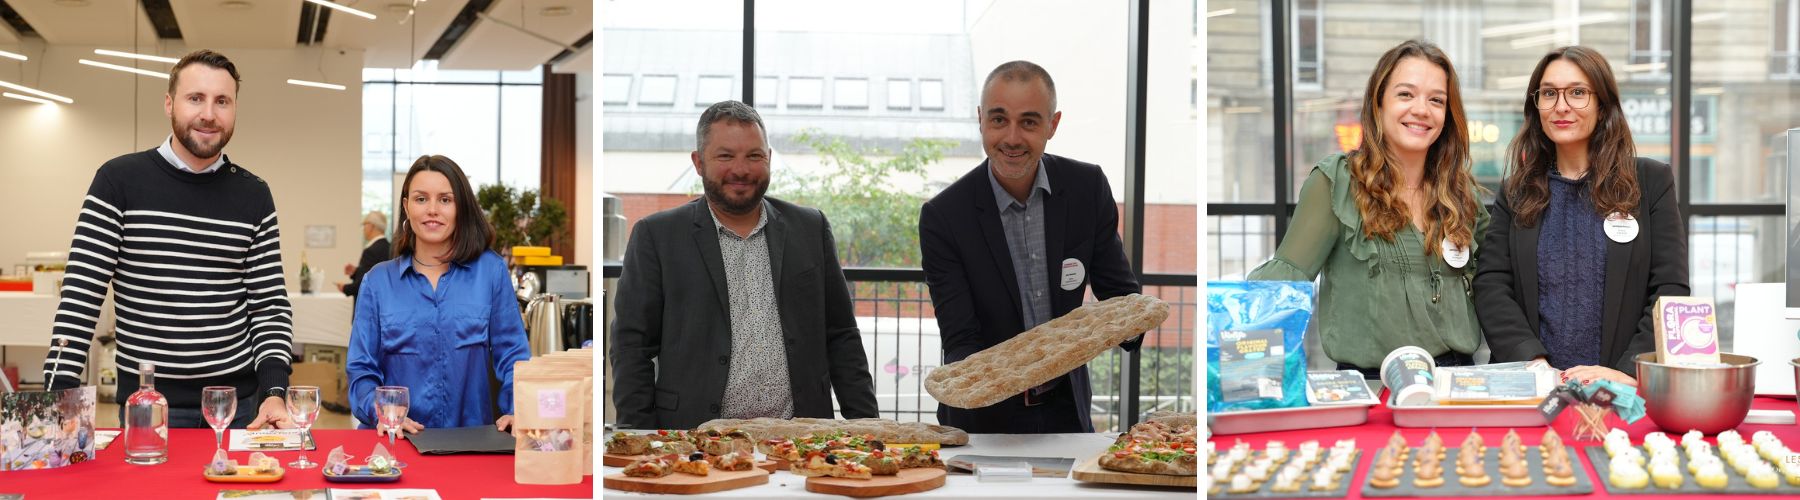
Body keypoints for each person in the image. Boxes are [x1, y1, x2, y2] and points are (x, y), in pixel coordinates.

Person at [41, 50, 292, 429]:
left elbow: (269, 306)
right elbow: (81, 293)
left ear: (234, 109)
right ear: (169, 103)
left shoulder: (254, 194)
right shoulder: (118, 181)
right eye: (196, 98)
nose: (209, 113)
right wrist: (58, 395)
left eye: (222, 101)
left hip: (237, 409)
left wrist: (275, 390)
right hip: (147, 407)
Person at [611, 100, 879, 430]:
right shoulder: (657, 236)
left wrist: (868, 429)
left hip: (800, 440)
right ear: (698, 162)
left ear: (768, 158)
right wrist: (638, 434)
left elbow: (842, 337)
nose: (741, 169)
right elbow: (632, 346)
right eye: (725, 156)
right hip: (694, 439)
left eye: (754, 156)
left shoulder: (810, 228)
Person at [919, 61, 1142, 434]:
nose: (1011, 138)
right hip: (983, 422)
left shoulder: (1087, 188)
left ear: (1052, 125)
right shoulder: (944, 216)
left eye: (1029, 122)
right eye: (999, 119)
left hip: (1066, 413)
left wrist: (1129, 325)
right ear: (980, 120)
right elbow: (960, 339)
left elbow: (1119, 294)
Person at [1246, 40, 1488, 377]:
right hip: (1370, 391)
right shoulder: (1337, 183)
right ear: (1378, 104)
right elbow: (1281, 288)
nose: (1422, 109)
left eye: (1436, 100)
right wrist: (1249, 385)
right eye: (1406, 95)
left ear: (1447, 116)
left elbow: (1493, 290)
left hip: (1457, 386)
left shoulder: (1463, 194)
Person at [1474, 46, 1689, 386]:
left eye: (1577, 92)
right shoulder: (1516, 191)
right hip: (1533, 387)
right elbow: (1491, 284)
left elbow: (1670, 289)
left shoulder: (1650, 182)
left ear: (1603, 105)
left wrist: (1626, 371)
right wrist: (1533, 362)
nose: (1561, 106)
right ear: (1537, 105)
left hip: (1621, 390)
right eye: (1549, 93)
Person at [346, 155, 531, 432]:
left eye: (445, 200)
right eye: (421, 199)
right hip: (395, 444)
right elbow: (361, 370)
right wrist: (381, 412)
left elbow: (513, 354)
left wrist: (518, 410)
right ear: (407, 207)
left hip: (470, 442)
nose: (433, 210)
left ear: (461, 207)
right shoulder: (377, 282)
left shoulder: (490, 271)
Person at [339, 210, 392, 298]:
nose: (363, 229)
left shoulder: (370, 251)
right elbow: (378, 275)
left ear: (371, 226)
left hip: (369, 303)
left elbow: (365, 282)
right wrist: (356, 271)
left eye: (364, 225)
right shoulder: (390, 247)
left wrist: (345, 288)